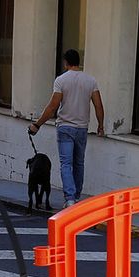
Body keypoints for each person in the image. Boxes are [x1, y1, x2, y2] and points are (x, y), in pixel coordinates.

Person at [28, 49, 104, 207]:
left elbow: (52, 107)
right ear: (79, 62)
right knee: (79, 163)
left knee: (66, 164)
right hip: (82, 128)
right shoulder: (91, 81)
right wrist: (100, 125)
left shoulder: (61, 80)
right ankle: (76, 197)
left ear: (66, 62)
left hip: (65, 127)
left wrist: (37, 125)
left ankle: (69, 199)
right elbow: (98, 105)